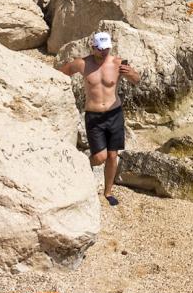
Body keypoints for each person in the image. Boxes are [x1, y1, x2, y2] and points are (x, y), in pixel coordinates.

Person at [58, 31, 141, 205]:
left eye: (107, 49)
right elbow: (60, 74)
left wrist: (131, 73)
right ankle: (84, 166)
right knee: (100, 157)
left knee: (112, 155)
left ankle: (108, 192)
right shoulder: (82, 64)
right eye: (101, 49)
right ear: (93, 47)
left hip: (115, 114)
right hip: (94, 116)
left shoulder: (117, 63)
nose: (104, 52)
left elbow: (137, 80)